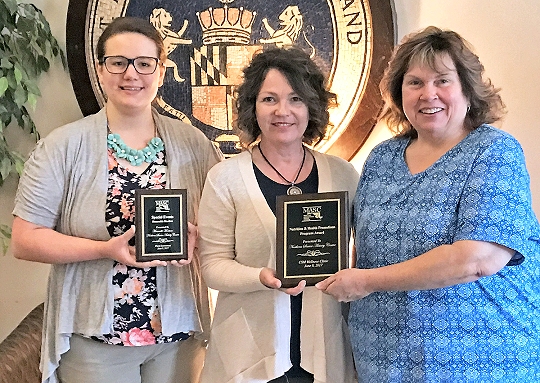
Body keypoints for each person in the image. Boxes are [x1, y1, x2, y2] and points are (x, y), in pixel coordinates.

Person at [316, 26, 540, 382]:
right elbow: (366, 251)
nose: (428, 94)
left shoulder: (494, 151)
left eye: (442, 81)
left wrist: (369, 282)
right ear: (399, 92)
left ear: (467, 88)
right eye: (415, 82)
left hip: (478, 361)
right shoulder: (381, 158)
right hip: (383, 360)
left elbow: (478, 259)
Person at [11, 17, 222, 383]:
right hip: (96, 338)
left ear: (161, 71)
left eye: (144, 63)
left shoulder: (195, 145)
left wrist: (198, 239)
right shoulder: (62, 147)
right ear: (101, 69)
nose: (131, 74)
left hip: (177, 334)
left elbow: (222, 225)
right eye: (118, 62)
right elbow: (24, 239)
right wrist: (104, 249)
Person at [197, 47, 358, 383]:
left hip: (323, 352)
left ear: (311, 107)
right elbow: (212, 267)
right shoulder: (225, 178)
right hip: (249, 355)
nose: (283, 111)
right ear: (252, 107)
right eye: (269, 99)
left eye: (296, 99)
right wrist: (261, 277)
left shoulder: (343, 175)